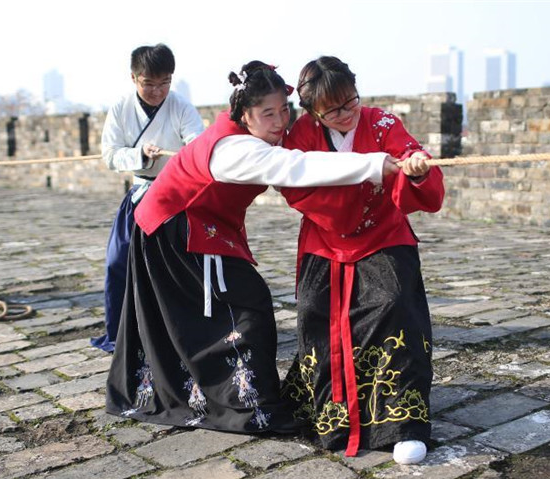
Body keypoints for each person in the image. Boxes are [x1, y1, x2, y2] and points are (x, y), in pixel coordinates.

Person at [105, 61, 398, 435]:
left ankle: (223, 396)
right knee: (243, 310)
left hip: (183, 229)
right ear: (245, 115)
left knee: (219, 313)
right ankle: (246, 406)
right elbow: (295, 168)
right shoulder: (237, 148)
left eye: (284, 111)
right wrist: (376, 164)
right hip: (177, 232)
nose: (280, 122)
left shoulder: (248, 137)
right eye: (267, 113)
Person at [279, 56, 445, 464]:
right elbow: (293, 185)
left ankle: (401, 421)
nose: (346, 113)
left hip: (384, 231)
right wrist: (349, 198)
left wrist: (417, 171)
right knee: (315, 310)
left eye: (350, 101)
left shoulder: (382, 123)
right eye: (333, 109)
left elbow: (409, 154)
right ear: (313, 112)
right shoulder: (300, 134)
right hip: (325, 234)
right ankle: (330, 413)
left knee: (394, 303)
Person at [91, 43, 205, 353]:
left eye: (164, 82)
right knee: (119, 261)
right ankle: (123, 332)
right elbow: (110, 155)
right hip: (141, 193)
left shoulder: (180, 106)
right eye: (149, 83)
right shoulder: (121, 109)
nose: (157, 91)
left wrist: (190, 156)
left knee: (180, 265)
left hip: (176, 195)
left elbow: (197, 144)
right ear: (134, 78)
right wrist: (138, 154)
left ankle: (183, 332)